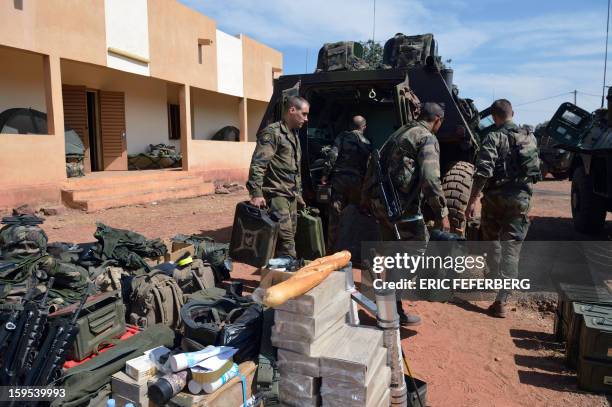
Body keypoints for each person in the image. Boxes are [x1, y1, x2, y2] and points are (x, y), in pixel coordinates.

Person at [363, 102, 450, 325]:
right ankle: (389, 302)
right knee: (417, 254)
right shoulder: (426, 137)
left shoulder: (400, 132)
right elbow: (431, 179)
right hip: (402, 210)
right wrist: (442, 214)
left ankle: (393, 311)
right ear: (437, 120)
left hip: (383, 205)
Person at [465, 99, 539, 318]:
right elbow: (535, 171)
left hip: (495, 199)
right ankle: (502, 301)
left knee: (491, 240)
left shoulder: (492, 136)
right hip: (520, 199)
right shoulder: (529, 136)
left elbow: (483, 171)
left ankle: (492, 279)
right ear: (512, 113)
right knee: (512, 248)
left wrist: (472, 201)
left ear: (494, 117)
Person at [246, 96, 310, 259]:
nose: (306, 119)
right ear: (292, 110)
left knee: (285, 238)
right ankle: (288, 278)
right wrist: (256, 193)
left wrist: (298, 194)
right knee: (287, 242)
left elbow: (295, 169)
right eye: (304, 114)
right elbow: (258, 164)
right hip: (276, 196)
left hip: (291, 196)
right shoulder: (272, 133)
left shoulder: (294, 135)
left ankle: (275, 275)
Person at [321, 115, 372, 251]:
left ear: (351, 126)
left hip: (340, 180)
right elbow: (368, 167)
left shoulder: (343, 136)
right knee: (353, 216)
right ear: (364, 127)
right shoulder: (367, 143)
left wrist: (325, 175)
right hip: (357, 183)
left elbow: (333, 155)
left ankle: (331, 251)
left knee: (335, 217)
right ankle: (350, 251)